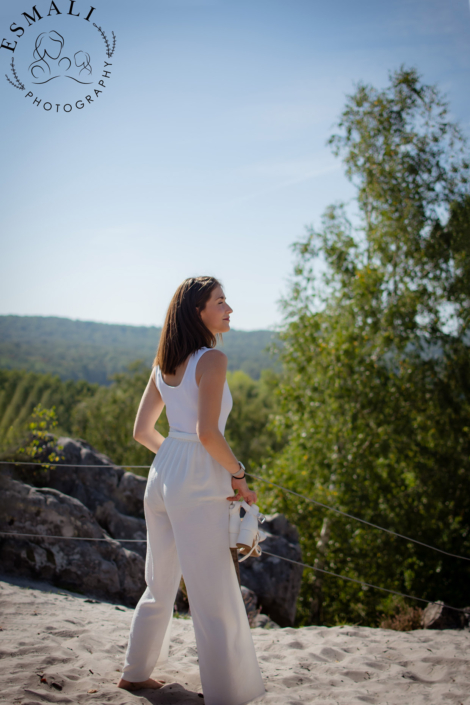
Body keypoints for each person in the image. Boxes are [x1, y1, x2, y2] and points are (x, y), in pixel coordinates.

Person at [117, 276, 266, 705]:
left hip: (162, 475)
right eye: (221, 302)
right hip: (199, 480)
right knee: (214, 590)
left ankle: (134, 673)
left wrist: (174, 462)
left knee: (159, 582)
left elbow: (142, 431)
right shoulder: (212, 359)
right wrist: (237, 473)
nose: (229, 309)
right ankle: (228, 694)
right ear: (198, 312)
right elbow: (207, 434)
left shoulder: (164, 363)